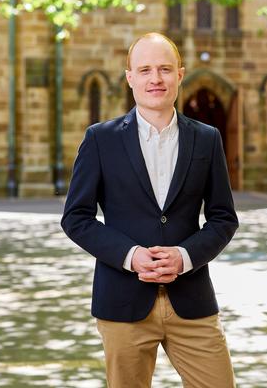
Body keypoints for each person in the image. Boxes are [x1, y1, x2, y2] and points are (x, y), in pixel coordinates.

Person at [61, 32, 238, 388]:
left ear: (180, 74)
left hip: (191, 300)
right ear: (129, 78)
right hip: (123, 301)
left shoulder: (206, 138)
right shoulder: (101, 139)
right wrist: (130, 255)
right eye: (144, 70)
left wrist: (185, 256)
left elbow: (223, 218)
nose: (155, 79)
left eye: (164, 69)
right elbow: (76, 218)